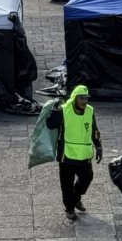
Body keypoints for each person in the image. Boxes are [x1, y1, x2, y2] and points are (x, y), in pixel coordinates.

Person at [44, 83, 102, 222]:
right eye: (82, 98)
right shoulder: (64, 110)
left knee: (87, 178)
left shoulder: (90, 111)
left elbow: (94, 130)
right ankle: (69, 209)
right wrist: (55, 111)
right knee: (66, 185)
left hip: (84, 154)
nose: (84, 101)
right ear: (75, 98)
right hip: (67, 155)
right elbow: (50, 124)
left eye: (86, 98)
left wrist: (98, 146)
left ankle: (75, 198)